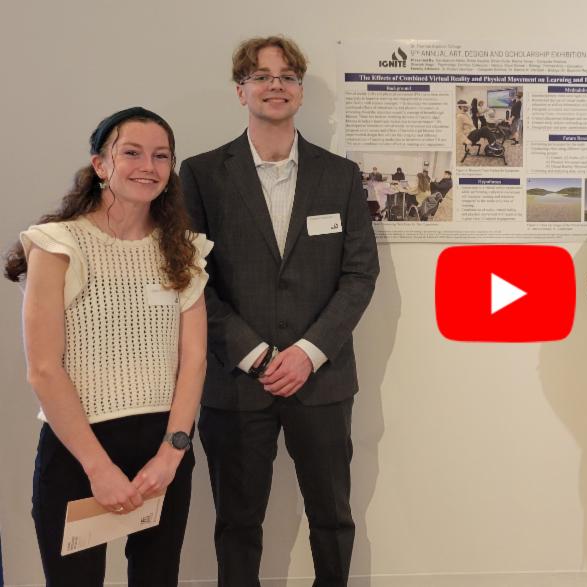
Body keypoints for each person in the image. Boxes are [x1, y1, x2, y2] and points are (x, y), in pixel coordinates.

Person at [180, 36, 379, 586]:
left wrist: (308, 354)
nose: (276, 85)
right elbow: (192, 279)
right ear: (241, 89)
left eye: (288, 76)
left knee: (332, 520)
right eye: (262, 76)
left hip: (322, 381)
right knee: (237, 522)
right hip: (236, 383)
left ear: (300, 92)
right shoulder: (200, 175)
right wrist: (254, 353)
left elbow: (360, 274)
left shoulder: (339, 175)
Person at [6, 107, 210, 585]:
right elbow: (43, 369)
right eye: (131, 152)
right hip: (79, 453)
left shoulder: (182, 249)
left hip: (163, 450)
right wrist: (98, 469)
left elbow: (194, 358)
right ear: (101, 164)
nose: (149, 166)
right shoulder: (58, 245)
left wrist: (172, 453)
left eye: (162, 156)